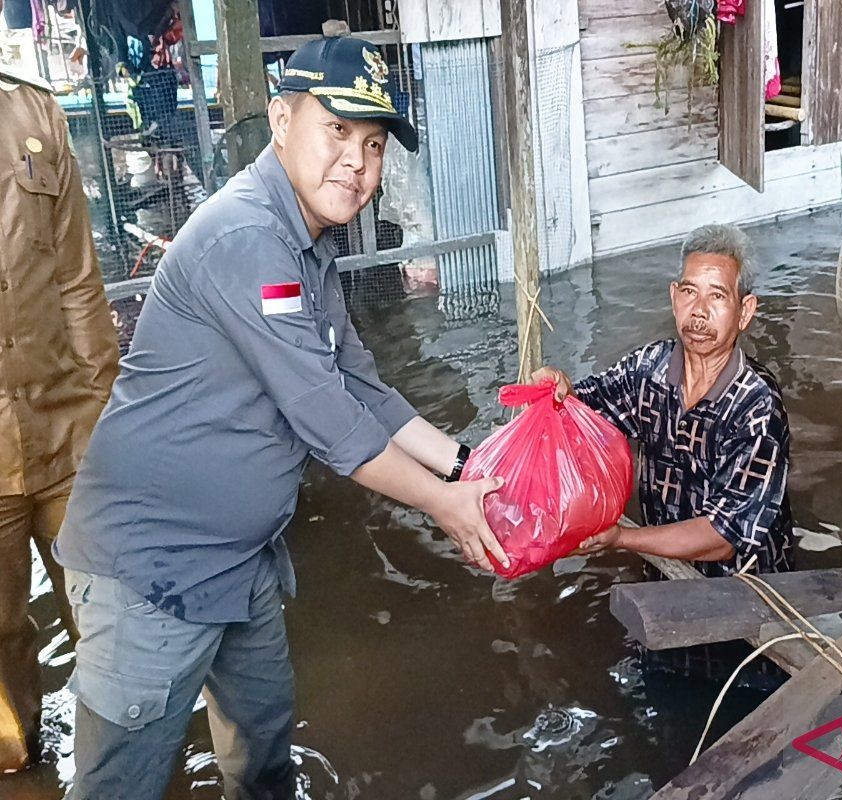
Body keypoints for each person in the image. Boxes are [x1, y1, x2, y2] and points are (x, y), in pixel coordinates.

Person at [53, 32, 508, 799]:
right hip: (153, 569)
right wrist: (446, 507)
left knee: (264, 762)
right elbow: (329, 422)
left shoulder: (308, 243)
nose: (358, 164)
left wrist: (468, 465)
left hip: (245, 559)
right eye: (338, 131)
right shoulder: (248, 236)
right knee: (119, 786)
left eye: (373, 145)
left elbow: (362, 384)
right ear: (281, 120)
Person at [533, 223, 795, 685]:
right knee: (668, 693)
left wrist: (620, 539)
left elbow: (724, 536)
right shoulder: (648, 369)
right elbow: (583, 410)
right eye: (690, 292)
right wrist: (558, 390)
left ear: (745, 310)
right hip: (666, 584)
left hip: (746, 601)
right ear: (674, 297)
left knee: (745, 699)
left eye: (718, 296)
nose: (699, 311)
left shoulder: (757, 406)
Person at [0, 54, 120, 772]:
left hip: (68, 429)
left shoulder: (35, 114)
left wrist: (106, 419)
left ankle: (128, 766)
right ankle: (19, 762)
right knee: (1, 633)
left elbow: (79, 278)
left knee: (109, 615)